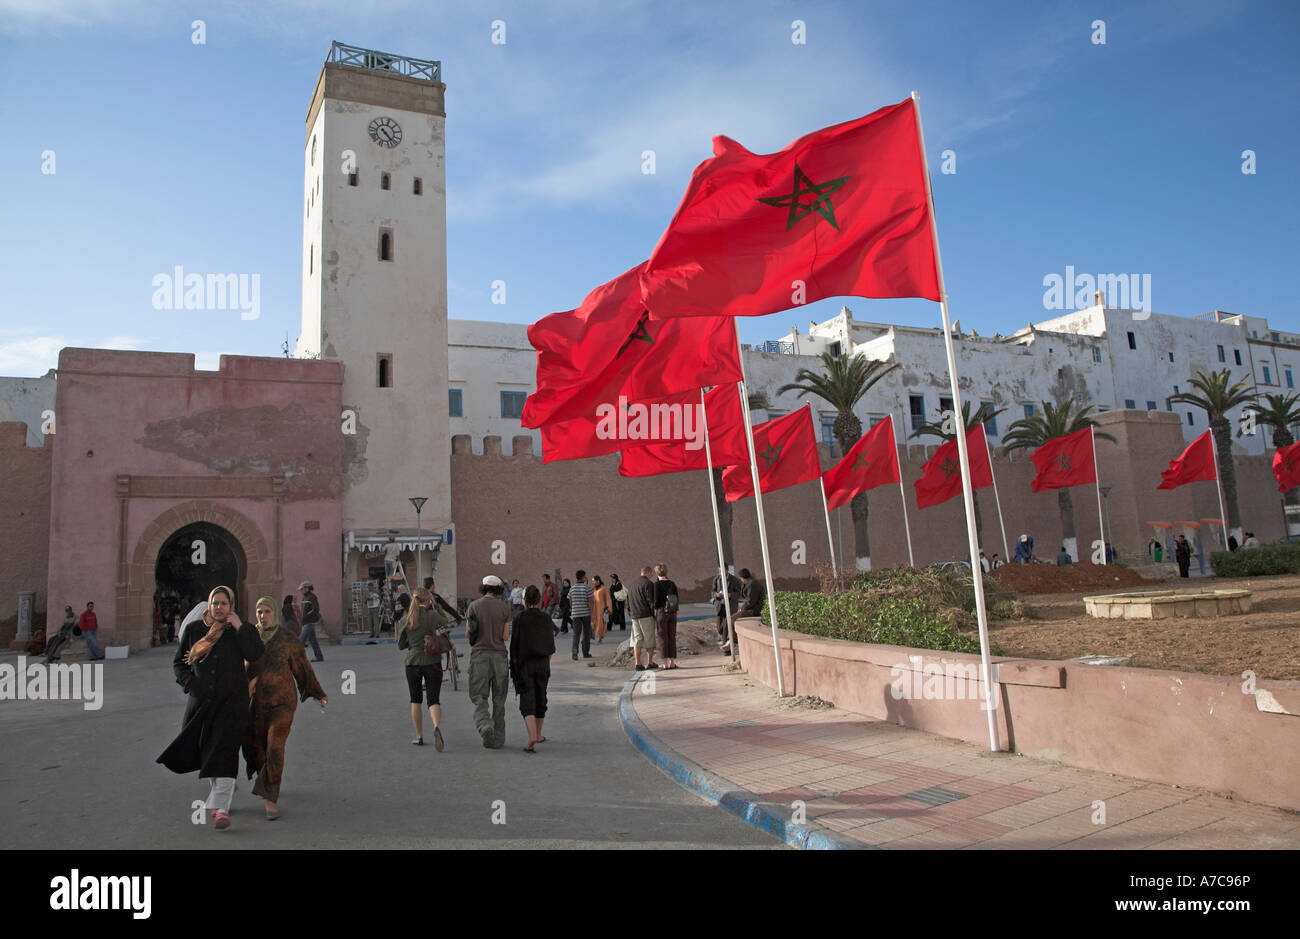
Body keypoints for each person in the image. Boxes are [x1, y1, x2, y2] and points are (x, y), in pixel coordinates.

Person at [157, 585, 265, 831]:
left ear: (231, 606)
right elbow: (179, 664)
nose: (219, 607)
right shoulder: (195, 630)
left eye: (224, 603)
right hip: (202, 703)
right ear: (209, 605)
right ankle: (219, 798)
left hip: (232, 703)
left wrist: (240, 626)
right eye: (215, 603)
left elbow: (256, 653)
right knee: (208, 752)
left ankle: (221, 810)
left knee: (225, 751)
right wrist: (191, 685)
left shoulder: (239, 631)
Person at [242, 596, 327, 820]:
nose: (263, 616)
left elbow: (302, 666)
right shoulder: (250, 638)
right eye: (259, 612)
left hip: (283, 703)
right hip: (256, 705)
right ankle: (268, 779)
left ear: (275, 614)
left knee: (274, 747)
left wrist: (317, 692)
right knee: (258, 749)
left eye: (267, 611)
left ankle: (271, 797)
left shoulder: (287, 639)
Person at [397, 587, 447, 750]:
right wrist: (436, 605)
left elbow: (400, 644)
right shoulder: (431, 615)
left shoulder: (406, 619)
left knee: (415, 700)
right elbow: (445, 621)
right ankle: (436, 727)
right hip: (432, 661)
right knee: (433, 700)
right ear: (428, 599)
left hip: (412, 662)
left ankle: (419, 736)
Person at [467, 575, 512, 749]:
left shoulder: (473, 606)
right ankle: (498, 739)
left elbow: (468, 633)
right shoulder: (504, 608)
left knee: (479, 697)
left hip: (479, 656)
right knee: (499, 699)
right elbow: (505, 636)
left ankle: (485, 725)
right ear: (499, 589)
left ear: (483, 588)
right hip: (499, 657)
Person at [509, 585, 554, 753]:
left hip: (524, 665)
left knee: (527, 701)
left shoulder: (519, 618)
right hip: (542, 663)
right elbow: (551, 646)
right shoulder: (546, 618)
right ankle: (540, 733)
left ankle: (532, 735)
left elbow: (514, 645)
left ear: (525, 600)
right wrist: (546, 662)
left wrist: (514, 666)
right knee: (541, 698)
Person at [627, 566, 658, 671]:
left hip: (634, 616)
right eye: (651, 574)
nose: (652, 576)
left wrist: (630, 613)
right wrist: (654, 613)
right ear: (648, 573)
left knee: (637, 639)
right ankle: (650, 662)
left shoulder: (632, 585)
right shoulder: (648, 584)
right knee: (649, 639)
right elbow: (651, 600)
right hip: (646, 615)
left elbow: (627, 601)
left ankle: (638, 663)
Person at [653, 563, 680, 670]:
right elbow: (677, 598)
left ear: (656, 572)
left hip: (662, 612)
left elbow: (655, 601)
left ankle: (665, 663)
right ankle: (672, 662)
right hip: (673, 612)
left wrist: (655, 610)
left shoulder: (656, 585)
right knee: (672, 636)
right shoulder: (672, 584)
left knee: (662, 637)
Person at [713, 567, 743, 653]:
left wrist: (730, 595)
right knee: (720, 628)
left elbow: (738, 593)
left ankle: (727, 648)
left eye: (722, 570)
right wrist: (716, 595)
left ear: (726, 570)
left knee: (727, 626)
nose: (721, 572)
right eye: (719, 571)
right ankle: (728, 641)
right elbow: (713, 591)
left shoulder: (734, 580)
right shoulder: (717, 579)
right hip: (720, 606)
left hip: (730, 606)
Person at [568, 570, 593, 660]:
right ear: (582, 577)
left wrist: (574, 608)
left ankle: (575, 650)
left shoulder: (572, 588)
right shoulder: (587, 588)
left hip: (575, 614)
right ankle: (585, 653)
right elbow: (591, 602)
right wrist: (592, 614)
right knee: (586, 633)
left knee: (576, 634)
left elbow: (570, 602)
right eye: (585, 576)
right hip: (586, 613)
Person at [299, 581, 324, 662]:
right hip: (305, 621)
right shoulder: (305, 597)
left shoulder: (312, 597)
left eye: (302, 589)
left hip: (309, 621)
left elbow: (316, 609)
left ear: (307, 588)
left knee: (301, 640)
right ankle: (319, 656)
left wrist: (306, 616)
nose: (301, 591)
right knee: (313, 640)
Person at [590, 575, 612, 643]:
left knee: (601, 623)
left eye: (593, 581)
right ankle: (595, 637)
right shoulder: (593, 589)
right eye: (592, 581)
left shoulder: (603, 589)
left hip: (601, 609)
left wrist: (608, 608)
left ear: (598, 581)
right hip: (594, 609)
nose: (593, 582)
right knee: (593, 622)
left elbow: (608, 599)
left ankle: (599, 638)